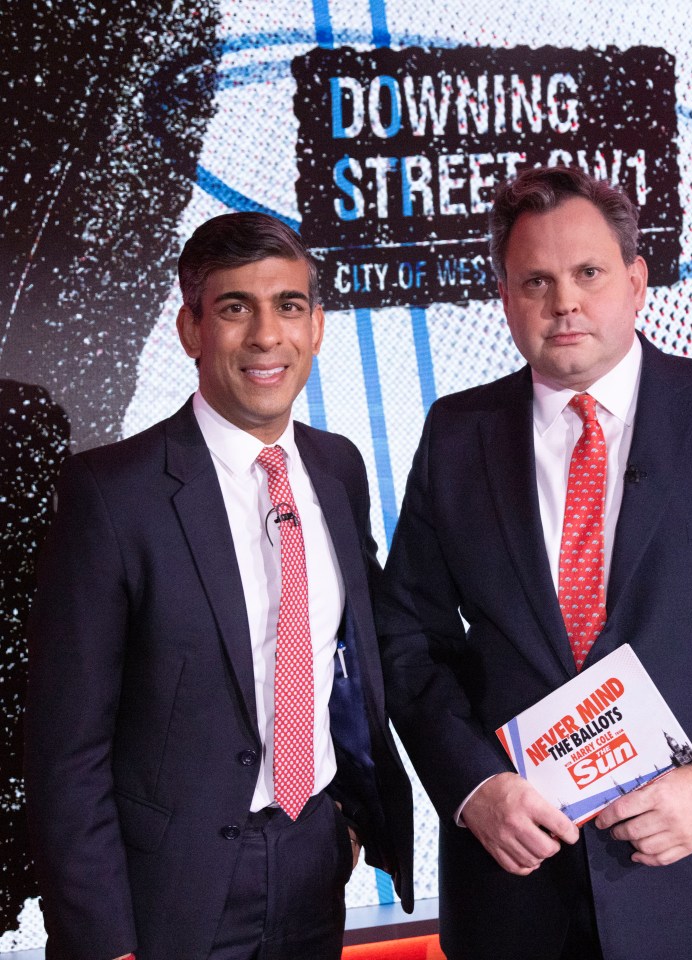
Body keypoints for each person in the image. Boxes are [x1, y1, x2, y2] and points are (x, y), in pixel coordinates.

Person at [377, 166, 692, 960]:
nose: (563, 300)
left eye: (588, 273)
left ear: (636, 282)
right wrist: (473, 787)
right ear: (503, 295)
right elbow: (406, 637)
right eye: (535, 279)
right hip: (512, 890)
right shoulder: (455, 434)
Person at [25, 212, 413, 960]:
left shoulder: (338, 469)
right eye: (236, 308)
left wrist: (348, 821)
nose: (267, 335)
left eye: (289, 306)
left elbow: (350, 662)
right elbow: (65, 750)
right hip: (168, 891)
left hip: (315, 860)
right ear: (191, 329)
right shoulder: (113, 494)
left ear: (318, 326)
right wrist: (102, 940)